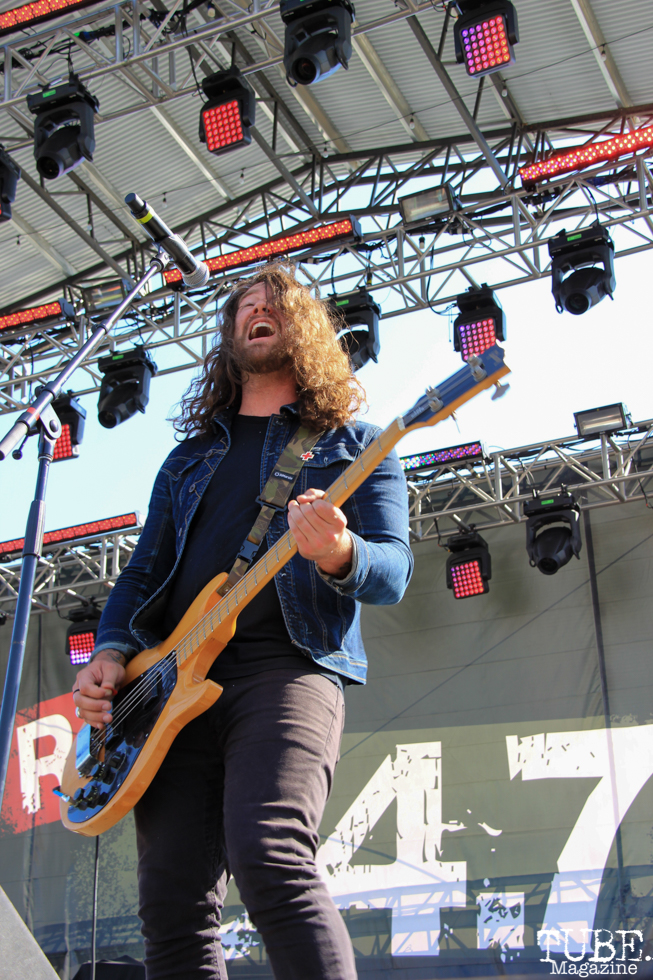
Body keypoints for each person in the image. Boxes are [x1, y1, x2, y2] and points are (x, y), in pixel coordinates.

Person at [72, 264, 413, 980]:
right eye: (245, 306)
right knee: (172, 906)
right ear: (230, 336)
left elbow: (392, 571)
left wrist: (339, 551)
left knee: (270, 855)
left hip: (286, 670)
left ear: (305, 329)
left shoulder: (356, 446)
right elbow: (142, 574)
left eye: (275, 304)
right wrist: (109, 651)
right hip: (166, 690)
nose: (259, 310)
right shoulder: (188, 458)